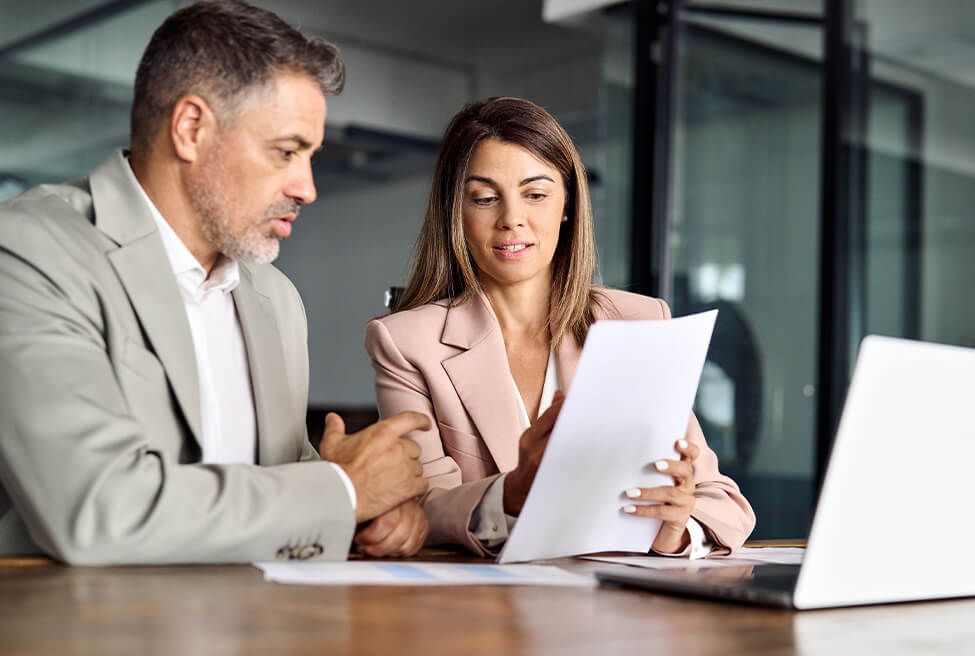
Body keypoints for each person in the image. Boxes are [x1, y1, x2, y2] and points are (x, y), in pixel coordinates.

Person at [0, 0, 431, 564]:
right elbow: (99, 507)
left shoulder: (276, 299)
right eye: (286, 152)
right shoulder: (29, 250)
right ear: (191, 128)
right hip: (81, 639)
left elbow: (284, 492)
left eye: (311, 157)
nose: (307, 188)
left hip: (261, 632)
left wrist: (370, 513)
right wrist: (343, 491)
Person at [365, 97, 755, 557]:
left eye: (536, 194)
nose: (512, 218)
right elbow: (419, 506)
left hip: (617, 608)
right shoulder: (407, 343)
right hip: (481, 613)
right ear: (457, 212)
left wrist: (675, 527)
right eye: (486, 198)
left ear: (567, 205)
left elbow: (724, 503)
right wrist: (506, 495)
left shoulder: (637, 322)